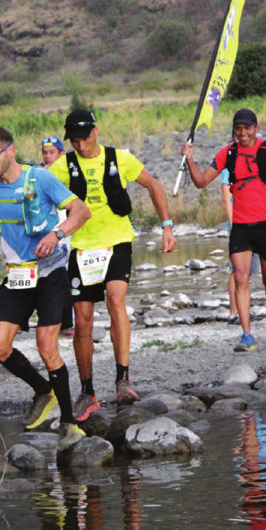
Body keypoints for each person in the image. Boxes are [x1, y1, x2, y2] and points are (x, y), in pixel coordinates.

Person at [0, 125, 91, 451]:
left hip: (51, 273)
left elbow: (81, 210)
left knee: (46, 346)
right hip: (17, 275)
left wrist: (57, 234)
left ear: (10, 150)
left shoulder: (40, 179)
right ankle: (43, 391)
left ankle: (70, 422)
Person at [50, 108, 176, 421]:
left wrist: (167, 224)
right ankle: (87, 391)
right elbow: (38, 193)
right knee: (83, 318)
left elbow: (154, 185)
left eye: (84, 138)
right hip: (81, 247)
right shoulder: (63, 165)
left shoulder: (120, 158)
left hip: (117, 241)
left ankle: (123, 381)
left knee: (116, 300)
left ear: (95, 131)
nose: (79, 145)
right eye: (74, 140)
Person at [181, 108, 266, 352]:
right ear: (234, 130)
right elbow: (201, 182)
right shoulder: (227, 153)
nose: (242, 133)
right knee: (241, 278)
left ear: (256, 128)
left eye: (247, 128)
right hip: (240, 227)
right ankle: (247, 335)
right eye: (238, 128)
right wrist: (189, 159)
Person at [220, 166, 260, 325]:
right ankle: (234, 313)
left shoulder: (253, 164)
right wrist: (233, 224)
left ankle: (244, 311)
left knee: (248, 270)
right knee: (237, 269)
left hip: (255, 222)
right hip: (239, 223)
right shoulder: (228, 168)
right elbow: (225, 196)